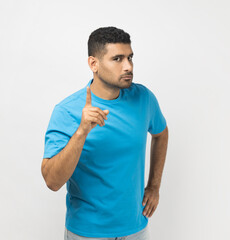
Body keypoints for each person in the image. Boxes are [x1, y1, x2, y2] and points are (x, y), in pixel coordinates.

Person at [41, 26, 168, 240]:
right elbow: (52, 181)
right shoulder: (67, 111)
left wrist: (154, 186)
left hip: (136, 228)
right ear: (94, 64)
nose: (128, 66)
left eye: (130, 57)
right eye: (117, 59)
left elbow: (161, 133)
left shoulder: (144, 99)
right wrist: (82, 131)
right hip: (88, 232)